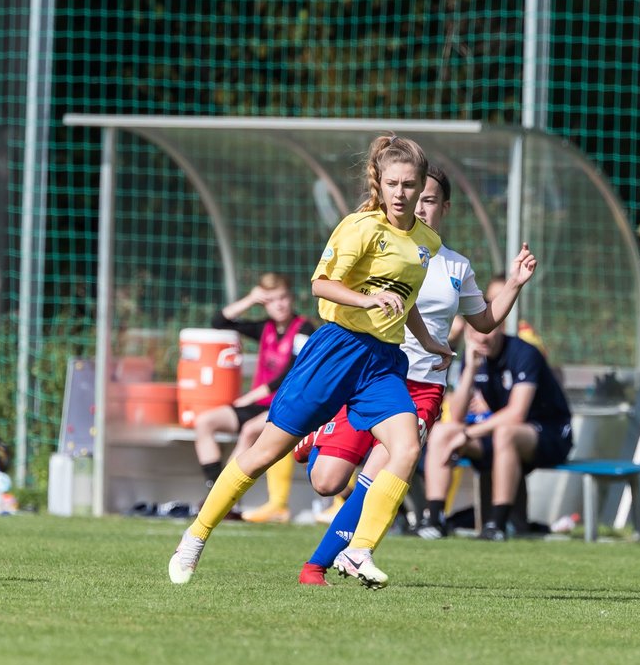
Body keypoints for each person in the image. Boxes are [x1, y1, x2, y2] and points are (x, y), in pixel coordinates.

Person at [168, 133, 453, 588]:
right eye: (393, 184)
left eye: (410, 185)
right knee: (264, 451)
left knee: (407, 447)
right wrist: (367, 298)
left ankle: (358, 551)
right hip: (336, 350)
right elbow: (321, 286)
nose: (401, 194)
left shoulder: (425, 242)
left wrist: (430, 341)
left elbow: (407, 299)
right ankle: (195, 537)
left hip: (382, 361)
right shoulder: (360, 227)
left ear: (422, 187)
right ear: (380, 183)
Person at [294, 168, 538, 585]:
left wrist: (514, 283)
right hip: (367, 375)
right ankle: (318, 434)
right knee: (326, 481)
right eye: (412, 195)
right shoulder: (379, 241)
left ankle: (318, 565)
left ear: (444, 207)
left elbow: (483, 321)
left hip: (422, 386)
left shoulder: (456, 266)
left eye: (429, 199)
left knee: (378, 478)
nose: (418, 205)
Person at [421, 295, 573, 541]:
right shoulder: (473, 357)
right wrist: (470, 369)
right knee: (442, 432)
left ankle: (497, 525)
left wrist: (468, 434)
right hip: (500, 436)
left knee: (505, 433)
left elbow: (516, 413)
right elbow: (457, 416)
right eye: (477, 330)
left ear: (500, 326)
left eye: (489, 329)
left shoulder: (524, 353)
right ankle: (434, 520)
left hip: (549, 433)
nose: (483, 336)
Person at [191, 273, 314, 523]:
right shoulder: (265, 328)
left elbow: (292, 372)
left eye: (283, 298)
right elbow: (219, 322)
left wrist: (251, 396)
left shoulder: (304, 328)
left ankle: (226, 498)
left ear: (291, 299)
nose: (279, 304)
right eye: (271, 300)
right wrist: (249, 299)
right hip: (258, 405)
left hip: (283, 406)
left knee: (249, 430)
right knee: (204, 422)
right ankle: (217, 490)